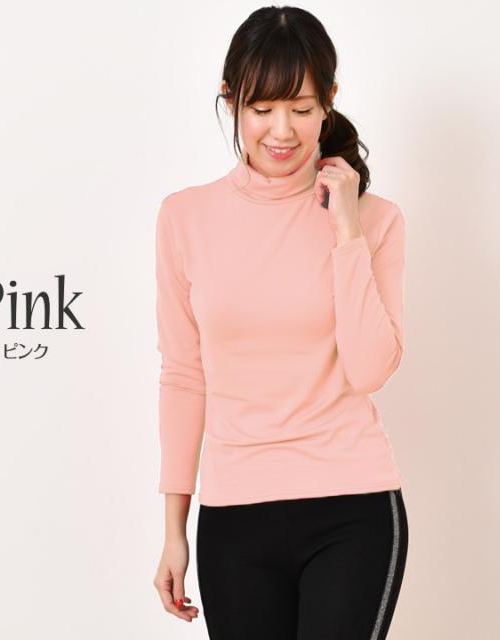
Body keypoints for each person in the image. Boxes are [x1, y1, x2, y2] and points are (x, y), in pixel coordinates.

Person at [152, 6, 409, 639]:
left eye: (301, 107)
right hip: (234, 515)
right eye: (262, 109)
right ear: (230, 100)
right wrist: (173, 530)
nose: (282, 130)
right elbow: (184, 375)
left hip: (352, 507)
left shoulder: (375, 220)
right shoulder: (185, 218)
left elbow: (370, 370)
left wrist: (346, 229)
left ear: (329, 101)